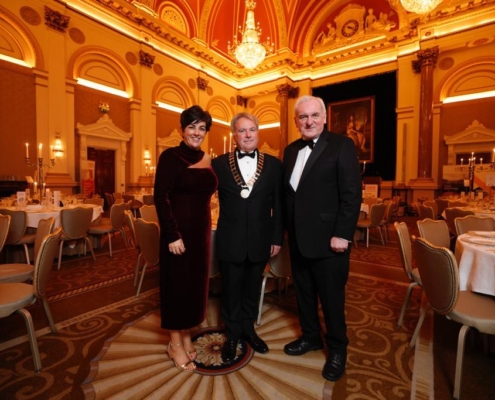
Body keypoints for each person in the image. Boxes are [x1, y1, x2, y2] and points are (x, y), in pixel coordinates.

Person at [282, 95, 362, 381]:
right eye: (303, 117)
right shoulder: (290, 150)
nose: (309, 121)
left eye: (314, 115)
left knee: (331, 298)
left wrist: (342, 234)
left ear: (325, 117)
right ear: (296, 121)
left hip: (331, 241)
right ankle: (311, 337)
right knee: (303, 294)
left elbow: (352, 195)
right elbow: (288, 196)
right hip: (299, 239)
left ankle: (338, 348)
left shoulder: (342, 145)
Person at [212, 112, 283, 363]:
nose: (248, 135)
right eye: (242, 131)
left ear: (258, 132)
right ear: (234, 135)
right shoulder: (218, 164)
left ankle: (248, 329)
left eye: (252, 129)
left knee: (251, 289)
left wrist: (276, 237)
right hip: (230, 238)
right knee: (231, 290)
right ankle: (232, 335)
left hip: (261, 239)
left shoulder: (274, 164)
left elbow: (279, 205)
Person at [154, 105, 218, 372]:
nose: (196, 132)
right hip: (178, 234)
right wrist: (171, 234)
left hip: (201, 233)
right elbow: (161, 196)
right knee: (177, 286)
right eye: (192, 126)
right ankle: (174, 342)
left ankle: (188, 334)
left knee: (194, 286)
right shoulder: (171, 156)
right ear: (182, 129)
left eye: (202, 128)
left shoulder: (206, 157)